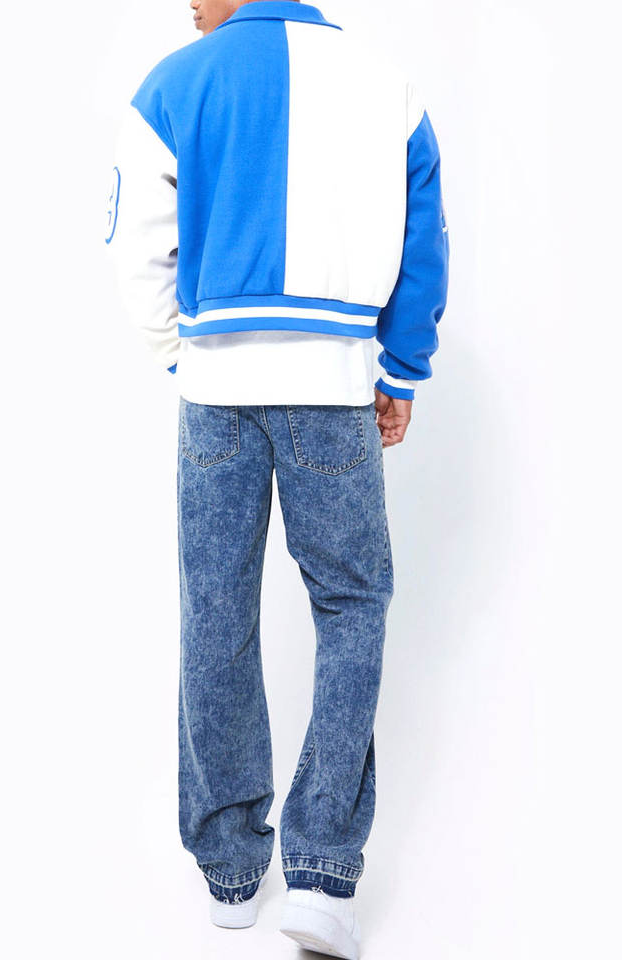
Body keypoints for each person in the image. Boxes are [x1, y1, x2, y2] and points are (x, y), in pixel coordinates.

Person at [105, 2, 449, 956]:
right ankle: (323, 877)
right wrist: (399, 371)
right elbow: (425, 238)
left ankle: (229, 873)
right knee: (352, 603)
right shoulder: (387, 85)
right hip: (332, 390)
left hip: (217, 390)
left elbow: (135, 245)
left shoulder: (176, 83)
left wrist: (184, 355)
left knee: (215, 605)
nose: (187, 3)